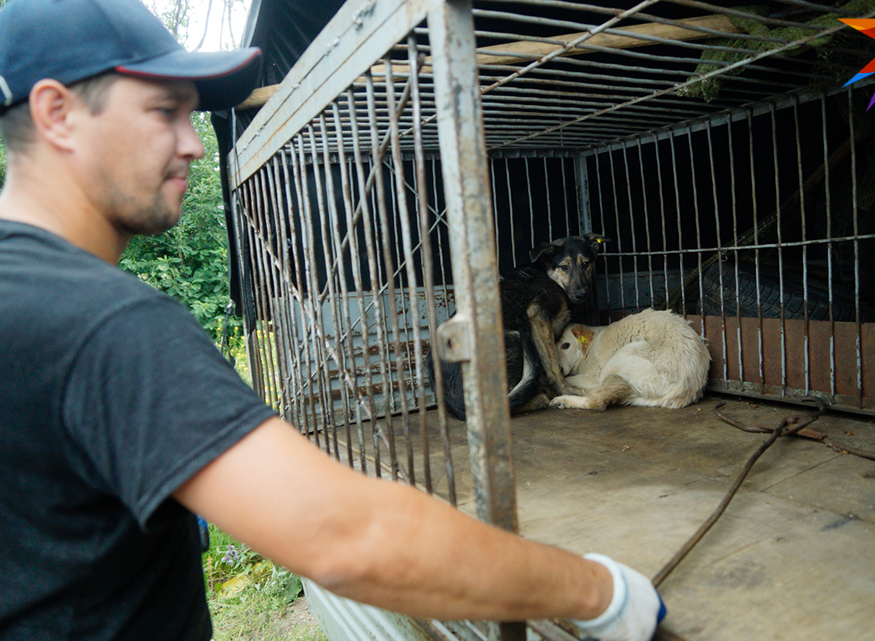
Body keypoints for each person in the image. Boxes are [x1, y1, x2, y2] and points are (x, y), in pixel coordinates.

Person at [0, 1, 666, 640]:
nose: (194, 145)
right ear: (57, 112)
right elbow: (351, 537)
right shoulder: (106, 326)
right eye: (164, 111)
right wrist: (599, 592)